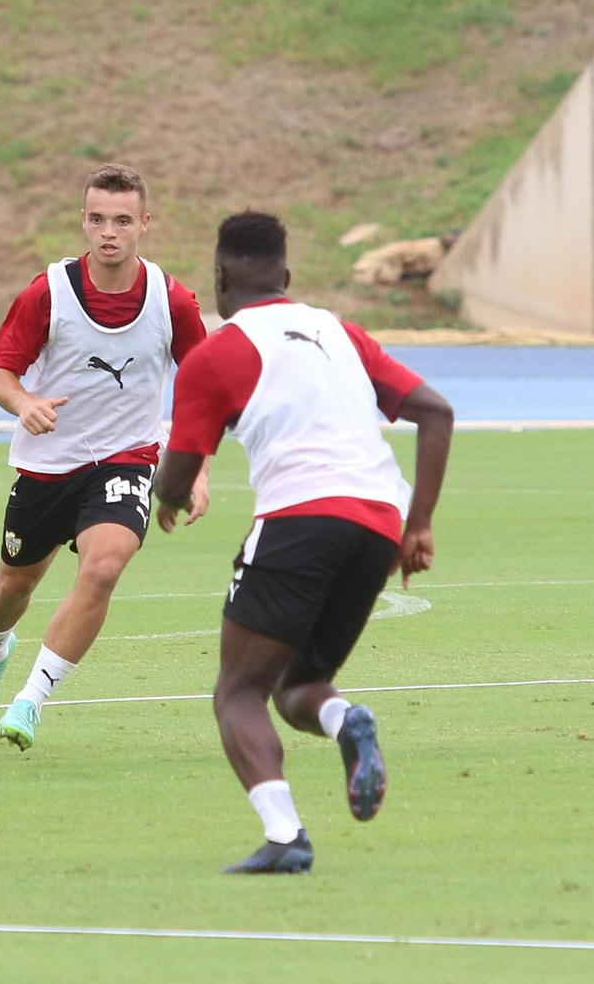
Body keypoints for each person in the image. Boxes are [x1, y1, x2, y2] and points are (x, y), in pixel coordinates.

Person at [153, 210, 454, 874]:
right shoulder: (340, 332)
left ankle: (286, 836)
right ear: (286, 276)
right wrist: (420, 523)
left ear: (221, 275)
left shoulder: (217, 353)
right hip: (377, 525)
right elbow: (435, 411)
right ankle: (346, 721)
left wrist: (167, 500)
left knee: (237, 691)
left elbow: (177, 473)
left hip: (298, 522)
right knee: (301, 685)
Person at [0, 164, 213, 751]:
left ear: (145, 224)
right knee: (11, 587)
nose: (109, 232)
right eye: (97, 219)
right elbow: (0, 374)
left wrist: (196, 466)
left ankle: (30, 701)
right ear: (83, 222)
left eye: (123, 220)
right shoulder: (48, 292)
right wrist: (23, 403)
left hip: (127, 461)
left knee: (102, 568)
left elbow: (203, 387)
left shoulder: (172, 300)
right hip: (49, 465)